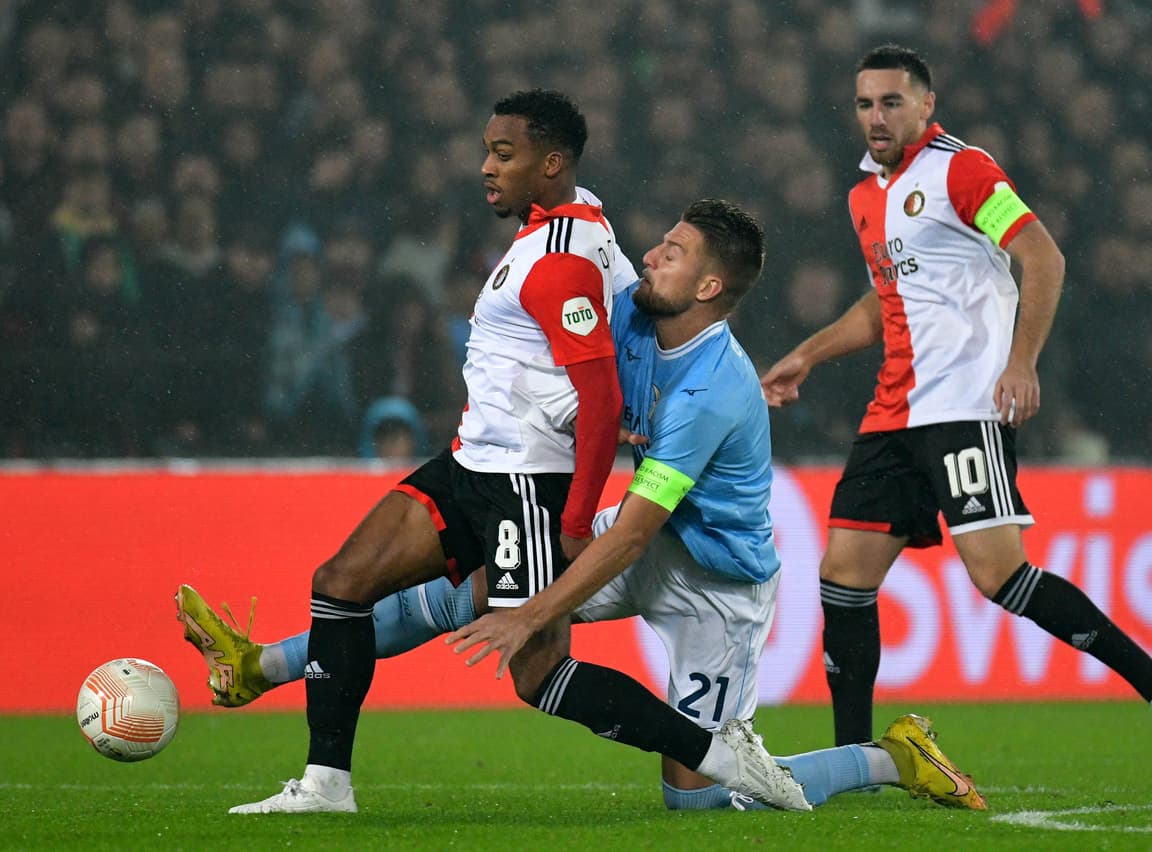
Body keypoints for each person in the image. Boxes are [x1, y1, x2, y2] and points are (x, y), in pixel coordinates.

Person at [179, 199, 987, 812]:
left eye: (671, 253)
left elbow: (633, 535)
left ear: (709, 286)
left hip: (714, 581)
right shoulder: (634, 314)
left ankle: (890, 756)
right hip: (640, 536)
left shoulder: (710, 389)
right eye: (657, 241)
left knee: (695, 792)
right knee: (465, 596)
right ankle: (262, 666)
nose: (649, 255)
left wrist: (533, 614)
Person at [209, 90, 807, 814]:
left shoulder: (559, 263)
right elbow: (606, 345)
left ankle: (717, 753)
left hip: (523, 482)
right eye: (488, 150)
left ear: (548, 164)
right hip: (470, 463)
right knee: (343, 581)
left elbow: (600, 394)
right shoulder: (573, 222)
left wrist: (579, 516)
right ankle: (325, 782)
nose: (486, 168)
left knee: (536, 674)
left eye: (504, 154)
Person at [759, 44, 1152, 759]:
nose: (875, 117)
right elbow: (885, 304)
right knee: (842, 578)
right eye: (864, 104)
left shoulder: (963, 169)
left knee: (999, 576)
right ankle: (854, 759)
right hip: (893, 413)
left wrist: (1022, 362)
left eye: (891, 102)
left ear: (925, 104)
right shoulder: (863, 195)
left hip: (966, 404)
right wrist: (807, 355)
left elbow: (1043, 256)